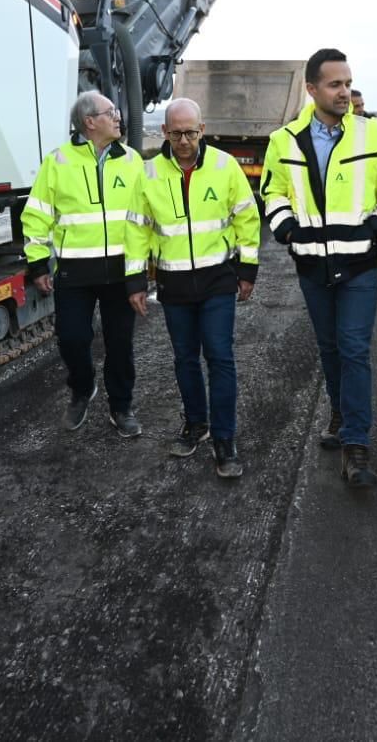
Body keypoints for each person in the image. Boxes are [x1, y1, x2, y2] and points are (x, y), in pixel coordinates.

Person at [262, 48, 377, 489]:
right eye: (334, 84)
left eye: (348, 83)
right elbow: (273, 193)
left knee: (353, 348)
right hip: (312, 267)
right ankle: (341, 412)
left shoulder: (375, 134)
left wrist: (374, 234)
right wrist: (288, 230)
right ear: (312, 89)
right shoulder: (283, 140)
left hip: (360, 266)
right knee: (329, 347)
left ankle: (356, 444)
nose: (344, 91)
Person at [125, 98, 260, 478]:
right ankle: (196, 424)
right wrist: (135, 280)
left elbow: (247, 218)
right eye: (176, 133)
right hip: (174, 284)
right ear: (164, 132)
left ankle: (224, 438)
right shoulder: (149, 174)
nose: (184, 141)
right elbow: (137, 229)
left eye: (190, 132)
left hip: (218, 279)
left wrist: (247, 269)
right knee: (185, 358)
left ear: (202, 130)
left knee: (219, 356)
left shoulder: (224, 165)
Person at [21, 91, 148, 436]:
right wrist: (37, 264)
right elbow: (36, 216)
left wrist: (147, 267)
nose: (119, 116)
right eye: (112, 112)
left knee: (120, 345)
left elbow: (146, 217)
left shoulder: (133, 160)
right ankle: (82, 387)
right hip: (74, 273)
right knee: (72, 339)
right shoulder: (58, 162)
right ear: (90, 122)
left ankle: (121, 408)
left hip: (121, 273)